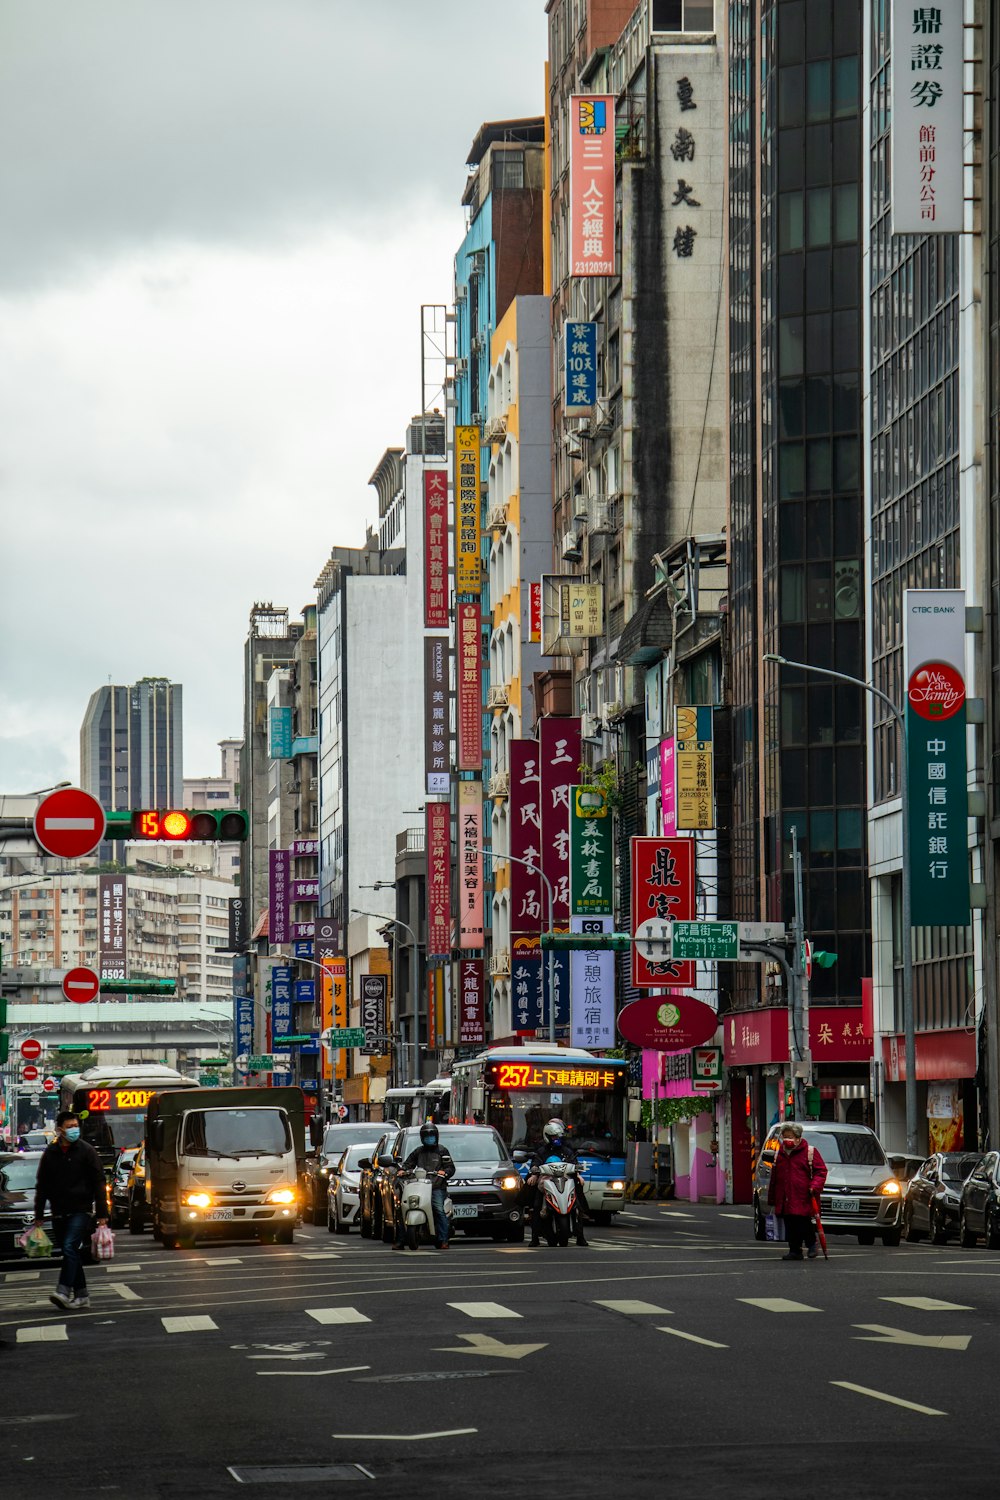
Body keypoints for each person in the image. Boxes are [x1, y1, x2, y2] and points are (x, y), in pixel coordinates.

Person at [33, 1110, 109, 1310]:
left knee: (69, 1247)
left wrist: (102, 1214)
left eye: (76, 1126)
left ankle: (63, 1290)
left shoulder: (86, 1151)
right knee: (70, 1252)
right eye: (69, 1127)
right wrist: (39, 1214)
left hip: (81, 1210)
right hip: (59, 1211)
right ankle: (82, 1294)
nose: (74, 1130)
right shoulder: (50, 1154)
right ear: (59, 1130)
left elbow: (99, 1183)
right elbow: (42, 1185)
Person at [767, 1121, 827, 1261]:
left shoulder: (809, 1152)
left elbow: (821, 1171)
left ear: (798, 1138)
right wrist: (773, 1198)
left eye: (790, 1136)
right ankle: (795, 1250)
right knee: (789, 1223)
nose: (787, 1139)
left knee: (803, 1221)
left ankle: (811, 1244)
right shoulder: (779, 1154)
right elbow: (774, 1178)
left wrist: (814, 1186)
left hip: (803, 1195)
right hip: (785, 1196)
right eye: (785, 1136)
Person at [392, 1121, 455, 1251]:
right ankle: (400, 1241)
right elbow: (408, 1164)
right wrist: (402, 1170)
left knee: (438, 1209)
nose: (429, 1138)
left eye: (432, 1135)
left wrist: (445, 1172)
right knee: (402, 1208)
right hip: (418, 1186)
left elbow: (450, 1167)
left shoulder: (442, 1151)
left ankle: (443, 1240)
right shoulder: (418, 1152)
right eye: (426, 1136)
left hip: (436, 1187)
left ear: (436, 1136)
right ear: (422, 1138)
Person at [526, 1118, 589, 1248]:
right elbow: (535, 1163)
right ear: (547, 1136)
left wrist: (578, 1174)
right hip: (545, 1183)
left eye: (558, 1136)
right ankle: (535, 1238)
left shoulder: (566, 1150)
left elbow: (574, 1162)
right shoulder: (542, 1151)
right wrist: (533, 1174)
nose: (557, 1139)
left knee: (578, 1206)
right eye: (554, 1136)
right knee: (536, 1205)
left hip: (566, 1181)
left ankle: (580, 1237)